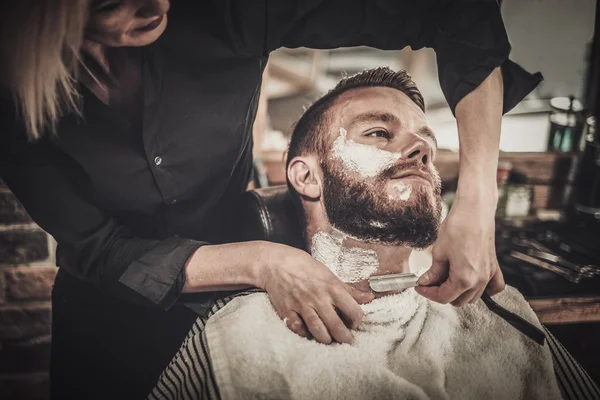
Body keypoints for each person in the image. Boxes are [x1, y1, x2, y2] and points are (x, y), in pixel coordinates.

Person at [0, 1, 542, 398]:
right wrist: (263, 260)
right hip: (110, 306)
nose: (156, 6)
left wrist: (476, 198)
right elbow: (98, 248)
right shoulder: (11, 97)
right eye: (110, 3)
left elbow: (457, 9)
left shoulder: (223, 8)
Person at [149, 68, 598, 400]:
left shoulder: (496, 308)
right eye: (380, 132)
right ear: (307, 178)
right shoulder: (241, 336)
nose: (422, 150)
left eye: (427, 144)